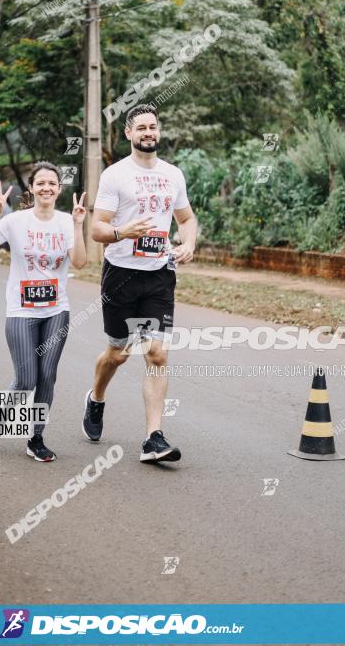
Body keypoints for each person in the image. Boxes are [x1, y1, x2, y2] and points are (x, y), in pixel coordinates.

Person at [82, 104, 197, 464]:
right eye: (141, 127)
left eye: (153, 126)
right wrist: (122, 231)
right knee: (118, 353)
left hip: (159, 275)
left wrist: (188, 243)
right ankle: (96, 399)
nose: (149, 132)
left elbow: (186, 217)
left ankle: (153, 438)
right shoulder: (116, 175)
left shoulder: (172, 174)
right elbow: (97, 229)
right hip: (121, 275)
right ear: (128, 134)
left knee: (156, 353)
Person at [0, 164, 87, 461]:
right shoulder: (16, 221)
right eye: (41, 183)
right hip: (21, 311)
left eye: (53, 183)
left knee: (47, 376)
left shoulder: (65, 221)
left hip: (56, 311)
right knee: (26, 380)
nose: (47, 187)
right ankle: (2, 416)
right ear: (32, 188)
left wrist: (77, 225)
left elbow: (81, 263)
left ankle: (36, 438)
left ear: (59, 189)